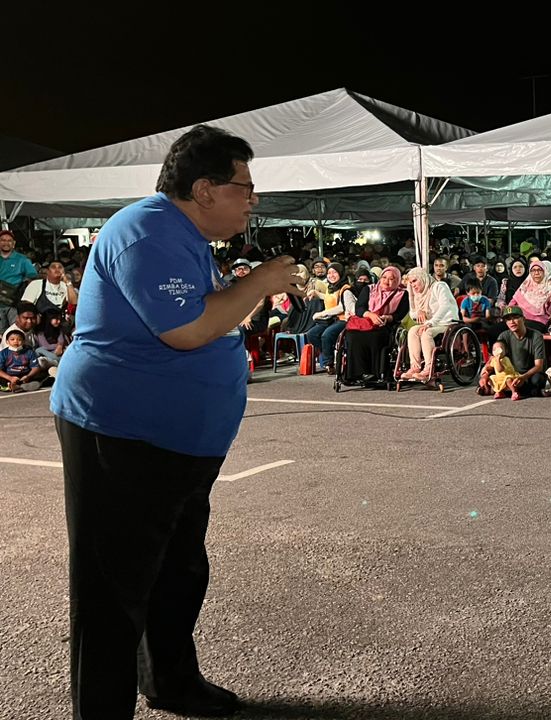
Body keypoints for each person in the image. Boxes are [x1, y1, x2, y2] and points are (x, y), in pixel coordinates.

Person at [49, 125, 303, 717]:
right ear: (205, 189)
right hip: (122, 435)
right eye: (244, 187)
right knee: (112, 588)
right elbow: (186, 330)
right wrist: (258, 283)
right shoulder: (147, 232)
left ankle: (171, 682)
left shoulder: (182, 235)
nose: (253, 200)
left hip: (177, 443)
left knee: (177, 569)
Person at [346, 265, 409, 382]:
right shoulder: (369, 289)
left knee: (376, 336)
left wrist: (388, 317)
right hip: (366, 321)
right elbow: (359, 308)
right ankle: (357, 373)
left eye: (391, 279)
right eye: (384, 277)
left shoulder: (402, 294)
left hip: (385, 324)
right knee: (352, 336)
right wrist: (370, 315)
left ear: (397, 280)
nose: (386, 281)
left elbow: (400, 314)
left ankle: (375, 373)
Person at [402, 267, 460, 384]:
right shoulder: (415, 293)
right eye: (411, 282)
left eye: (415, 281)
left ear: (422, 278)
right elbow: (412, 313)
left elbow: (445, 306)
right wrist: (419, 312)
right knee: (412, 331)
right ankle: (415, 366)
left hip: (446, 322)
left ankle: (429, 368)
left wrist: (431, 322)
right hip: (430, 324)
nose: (413, 285)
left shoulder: (439, 286)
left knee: (426, 333)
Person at [479, 305, 547, 399]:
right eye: (508, 319)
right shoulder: (503, 336)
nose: (512, 322)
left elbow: (539, 366)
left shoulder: (536, 336)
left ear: (523, 319)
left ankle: (506, 389)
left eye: (515, 318)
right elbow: (494, 358)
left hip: (528, 374)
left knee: (537, 380)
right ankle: (512, 389)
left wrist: (523, 377)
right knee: (490, 377)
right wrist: (485, 375)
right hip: (510, 374)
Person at [305, 263, 355, 374]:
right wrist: (316, 293)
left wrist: (322, 313)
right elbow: (330, 299)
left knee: (326, 335)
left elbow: (341, 307)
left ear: (340, 273)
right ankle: (328, 353)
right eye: (329, 273)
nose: (331, 275)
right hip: (332, 319)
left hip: (343, 319)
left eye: (334, 272)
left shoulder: (345, 289)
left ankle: (329, 363)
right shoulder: (331, 287)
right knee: (312, 334)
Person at [511, 260, 551, 333]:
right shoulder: (525, 285)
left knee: (521, 329)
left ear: (544, 271)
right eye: (533, 270)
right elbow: (512, 303)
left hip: (538, 321)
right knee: (498, 328)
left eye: (539, 270)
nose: (536, 273)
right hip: (520, 319)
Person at [0, 228, 39, 326]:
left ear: (14, 243)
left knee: (16, 330)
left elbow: (34, 278)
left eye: (9, 240)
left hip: (14, 304)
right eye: (3, 240)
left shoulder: (22, 259)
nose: (6, 243)